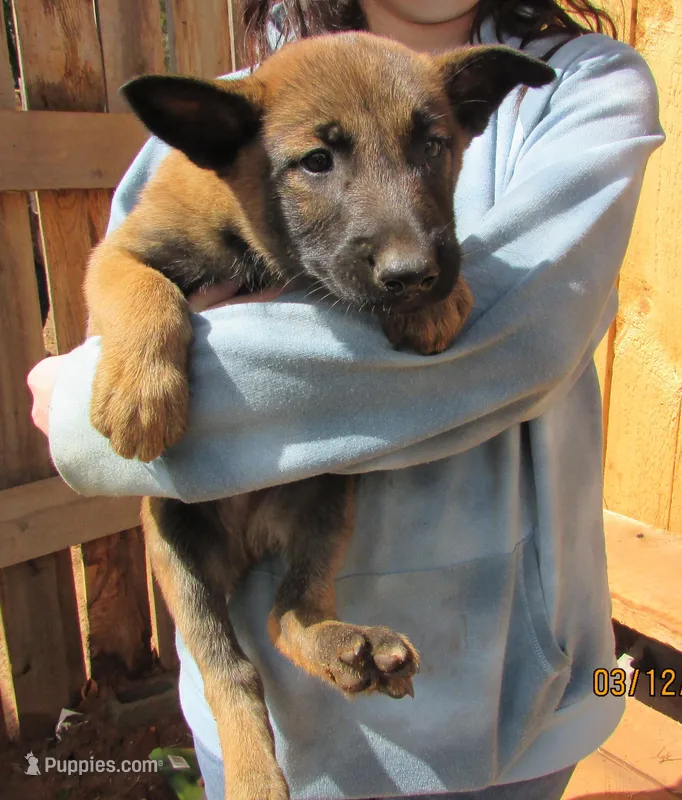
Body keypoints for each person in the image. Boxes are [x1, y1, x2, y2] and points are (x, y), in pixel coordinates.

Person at [27, 1, 664, 798]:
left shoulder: (580, 84)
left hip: (512, 704)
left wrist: (85, 397)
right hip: (269, 739)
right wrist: (115, 366)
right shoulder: (244, 110)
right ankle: (245, 685)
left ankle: (305, 613)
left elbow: (514, 343)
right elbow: (123, 297)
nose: (406, 247)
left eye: (432, 145)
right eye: (320, 162)